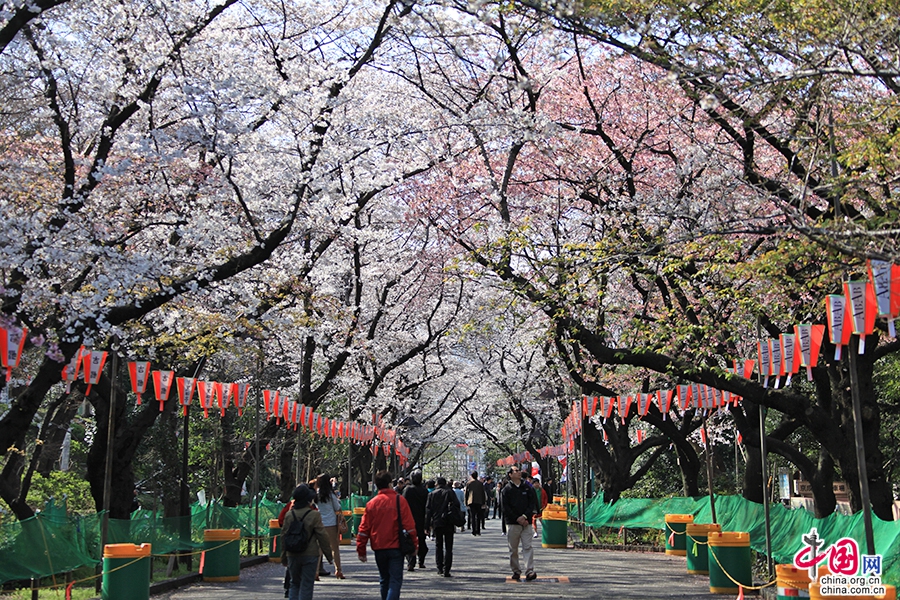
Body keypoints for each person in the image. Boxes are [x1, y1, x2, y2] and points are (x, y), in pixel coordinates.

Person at [357, 470, 417, 600]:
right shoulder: (399, 501)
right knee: (395, 581)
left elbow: (363, 529)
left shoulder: (371, 504)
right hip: (396, 546)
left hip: (379, 546)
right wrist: (415, 545)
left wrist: (361, 550)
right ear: (390, 484)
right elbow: (410, 526)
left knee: (384, 579)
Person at [282, 484, 333, 600]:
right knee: (307, 585)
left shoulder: (289, 515)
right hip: (310, 554)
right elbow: (322, 536)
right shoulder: (314, 515)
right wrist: (329, 555)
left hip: (292, 554)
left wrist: (284, 557)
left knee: (294, 583)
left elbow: (283, 536)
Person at [501, 465, 538, 581]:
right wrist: (517, 518)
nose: (519, 472)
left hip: (526, 523)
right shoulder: (506, 490)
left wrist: (525, 516)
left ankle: (529, 571)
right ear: (510, 474)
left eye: (519, 470)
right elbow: (505, 508)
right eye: (516, 471)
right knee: (513, 549)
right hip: (513, 523)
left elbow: (532, 503)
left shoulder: (527, 487)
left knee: (528, 547)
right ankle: (516, 570)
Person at [424, 476, 459, 577]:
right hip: (448, 521)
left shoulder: (432, 494)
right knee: (449, 546)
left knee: (438, 545)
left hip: (437, 521)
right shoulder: (450, 492)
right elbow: (456, 505)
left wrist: (426, 526)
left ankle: (439, 567)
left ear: (437, 484)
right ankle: (447, 569)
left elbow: (428, 511)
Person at [315, 473, 345, 579]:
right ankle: (338, 570)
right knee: (335, 548)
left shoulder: (317, 494)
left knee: (319, 549)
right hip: (331, 523)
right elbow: (337, 508)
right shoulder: (330, 494)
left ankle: (316, 572)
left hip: (319, 523)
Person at [401, 469, 429, 571]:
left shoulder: (408, 490)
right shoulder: (424, 491)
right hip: (421, 519)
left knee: (409, 541)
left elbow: (402, 505)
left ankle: (411, 562)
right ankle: (421, 561)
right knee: (421, 541)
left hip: (409, 519)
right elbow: (427, 507)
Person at [464, 471, 486, 536]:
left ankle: (473, 531)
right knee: (478, 516)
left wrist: (466, 502)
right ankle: (478, 530)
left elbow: (466, 493)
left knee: (472, 516)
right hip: (479, 501)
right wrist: (483, 502)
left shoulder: (469, 483)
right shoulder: (480, 483)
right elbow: (483, 493)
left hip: (471, 501)